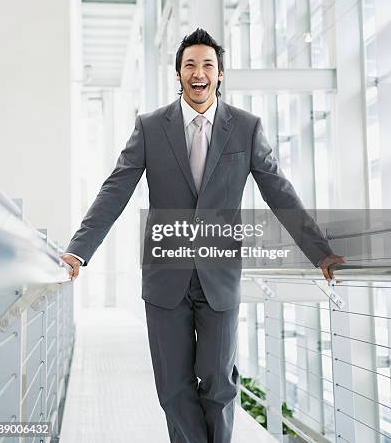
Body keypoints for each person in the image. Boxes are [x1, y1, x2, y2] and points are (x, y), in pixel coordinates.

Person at [62, 28, 344, 443]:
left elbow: (278, 191)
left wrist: (320, 252)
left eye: (207, 65)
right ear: (178, 74)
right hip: (165, 279)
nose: (198, 73)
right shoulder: (151, 127)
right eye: (190, 65)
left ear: (220, 74)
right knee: (174, 390)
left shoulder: (246, 128)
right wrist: (78, 251)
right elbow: (115, 189)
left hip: (220, 277)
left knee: (219, 384)